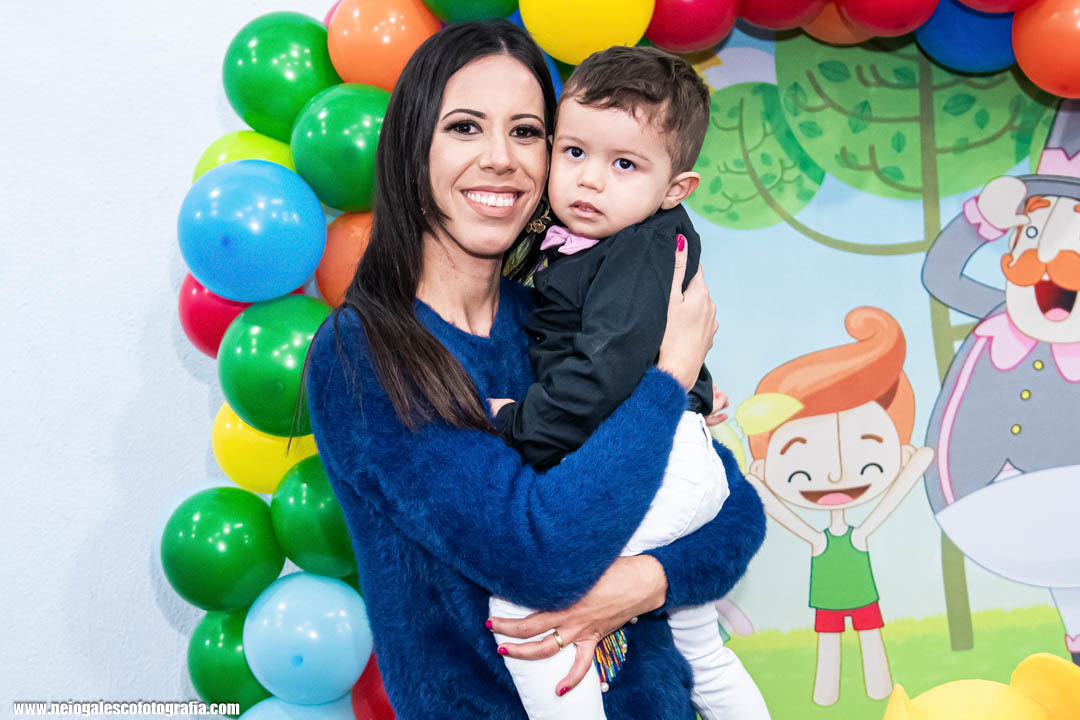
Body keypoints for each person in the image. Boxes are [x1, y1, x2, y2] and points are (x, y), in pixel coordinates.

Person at [302, 19, 765, 720]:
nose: (501, 159)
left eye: (526, 132)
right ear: (411, 149)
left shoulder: (555, 317)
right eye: (465, 128)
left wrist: (649, 579)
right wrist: (668, 381)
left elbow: (735, 512)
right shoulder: (365, 353)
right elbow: (540, 556)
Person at [485, 45, 768, 720]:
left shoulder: (642, 246)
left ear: (675, 190)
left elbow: (605, 370)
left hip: (664, 467)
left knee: (524, 602)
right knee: (702, 652)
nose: (589, 180)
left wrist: (514, 424)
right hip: (674, 454)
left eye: (624, 165)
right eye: (574, 152)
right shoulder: (607, 239)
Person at [739, 307, 934, 705]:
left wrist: (910, 467)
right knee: (828, 642)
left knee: (870, 637)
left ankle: (880, 692)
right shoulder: (820, 540)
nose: (834, 475)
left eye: (868, 446)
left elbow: (891, 500)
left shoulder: (853, 536)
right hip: (828, 593)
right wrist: (758, 482)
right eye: (800, 452)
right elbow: (779, 510)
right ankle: (826, 696)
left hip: (860, 590)